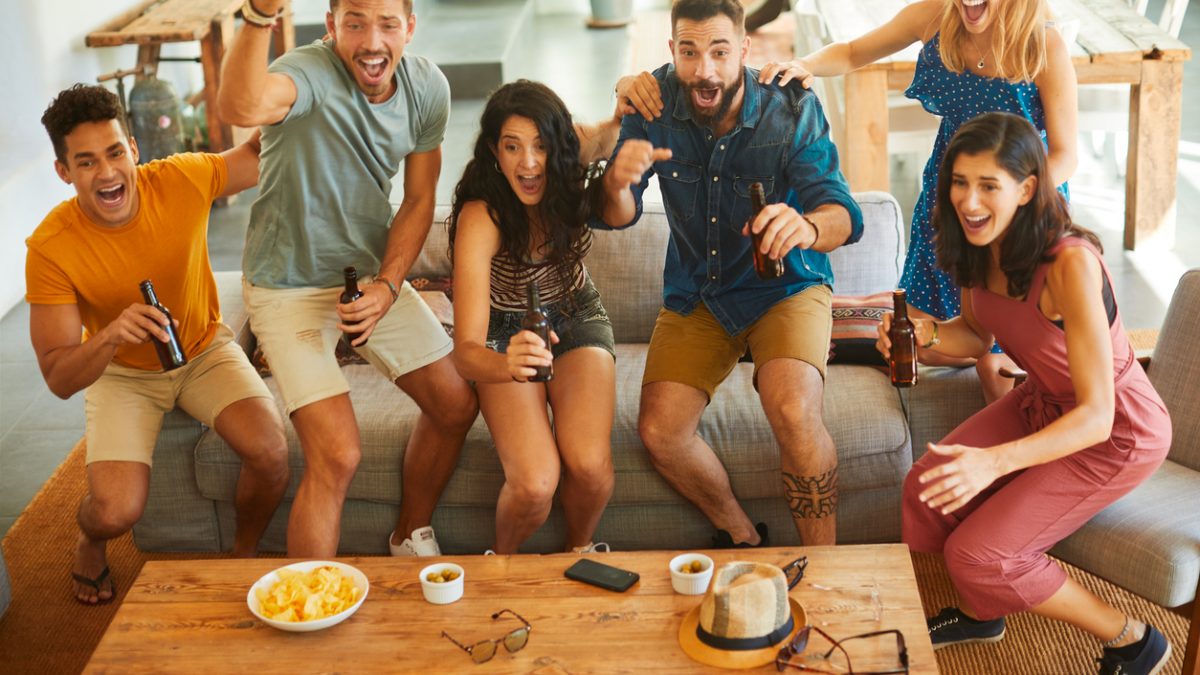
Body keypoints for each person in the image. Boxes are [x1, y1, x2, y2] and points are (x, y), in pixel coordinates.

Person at [620, 0, 1078, 404]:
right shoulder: (936, 17)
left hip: (1023, 209)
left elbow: (1065, 155)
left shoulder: (1044, 44)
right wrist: (803, 64)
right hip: (951, 200)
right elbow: (856, 51)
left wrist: (1008, 203)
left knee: (1002, 357)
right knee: (928, 338)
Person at [877, 112, 1171, 674]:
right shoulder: (976, 244)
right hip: (1045, 402)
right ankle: (981, 611)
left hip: (1116, 431)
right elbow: (975, 336)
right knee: (926, 488)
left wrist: (994, 463)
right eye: (960, 182)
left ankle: (1134, 640)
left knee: (978, 553)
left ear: (1027, 188)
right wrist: (922, 335)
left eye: (989, 185)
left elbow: (1097, 415)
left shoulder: (1069, 265)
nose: (969, 201)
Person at [598, 0, 864, 548]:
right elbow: (618, 216)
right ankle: (743, 536)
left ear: (744, 49)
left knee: (794, 410)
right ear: (672, 50)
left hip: (786, 288)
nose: (706, 71)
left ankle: (826, 564)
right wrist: (616, 184)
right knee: (660, 431)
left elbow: (843, 213)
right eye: (690, 53)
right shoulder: (651, 102)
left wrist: (808, 227)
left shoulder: (790, 106)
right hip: (700, 293)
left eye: (720, 52)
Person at [217, 0, 478, 558]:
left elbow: (419, 199)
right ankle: (310, 599)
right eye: (355, 23)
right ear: (332, 25)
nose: (372, 42)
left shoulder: (427, 89)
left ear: (410, 27)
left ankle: (409, 534)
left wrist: (388, 286)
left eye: (387, 24)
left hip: (366, 279)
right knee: (337, 455)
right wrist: (259, 15)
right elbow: (239, 104)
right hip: (286, 287)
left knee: (456, 405)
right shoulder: (307, 74)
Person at [26, 84, 289, 604]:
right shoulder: (51, 247)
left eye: (114, 153)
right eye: (86, 162)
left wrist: (306, 84)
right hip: (122, 372)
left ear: (134, 148)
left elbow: (261, 152)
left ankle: (242, 555)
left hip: (204, 349)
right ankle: (89, 540)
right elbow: (58, 378)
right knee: (114, 512)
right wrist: (110, 335)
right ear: (64, 172)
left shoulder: (181, 178)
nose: (107, 173)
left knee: (271, 452)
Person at [448, 80, 630, 553]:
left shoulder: (570, 161)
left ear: (558, 146)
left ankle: (577, 554)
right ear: (495, 151)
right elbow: (465, 352)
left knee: (590, 467)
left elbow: (608, 133)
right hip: (504, 335)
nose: (528, 163)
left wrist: (621, 107)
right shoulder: (481, 216)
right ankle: (501, 567)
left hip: (575, 315)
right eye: (512, 147)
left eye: (541, 146)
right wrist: (507, 363)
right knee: (534, 484)